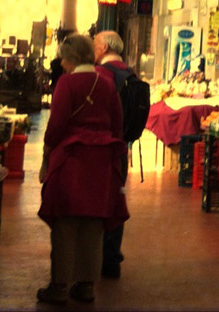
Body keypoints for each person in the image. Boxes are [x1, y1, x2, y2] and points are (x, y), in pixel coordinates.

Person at [37, 33, 129, 304]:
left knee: (65, 224)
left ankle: (59, 286)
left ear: (72, 58)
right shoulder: (107, 83)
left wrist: (48, 149)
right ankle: (86, 285)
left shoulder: (67, 83)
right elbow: (117, 123)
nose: (62, 64)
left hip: (72, 160)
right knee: (93, 224)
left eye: (64, 59)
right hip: (101, 162)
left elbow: (56, 125)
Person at [93, 30, 133, 278]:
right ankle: (112, 258)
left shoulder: (102, 75)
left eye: (96, 44)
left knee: (96, 200)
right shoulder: (130, 73)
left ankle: (95, 257)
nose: (94, 49)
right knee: (117, 200)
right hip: (122, 147)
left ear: (105, 46)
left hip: (101, 148)